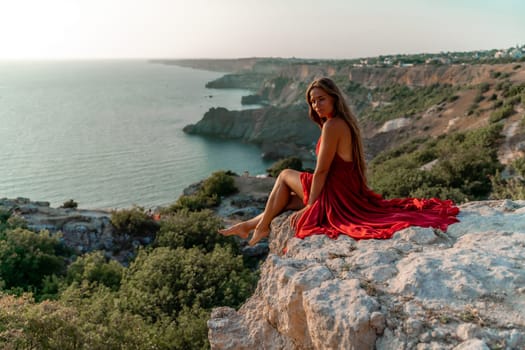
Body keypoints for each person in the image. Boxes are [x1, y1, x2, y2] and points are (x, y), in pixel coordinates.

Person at [219, 77, 459, 246]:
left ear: (334, 98)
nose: (316, 105)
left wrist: (310, 206)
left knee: (283, 175)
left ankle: (259, 227)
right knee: (288, 199)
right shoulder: (342, 123)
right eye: (312, 102)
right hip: (345, 191)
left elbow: (322, 171)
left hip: (336, 192)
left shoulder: (333, 126)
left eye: (321, 99)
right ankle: (250, 225)